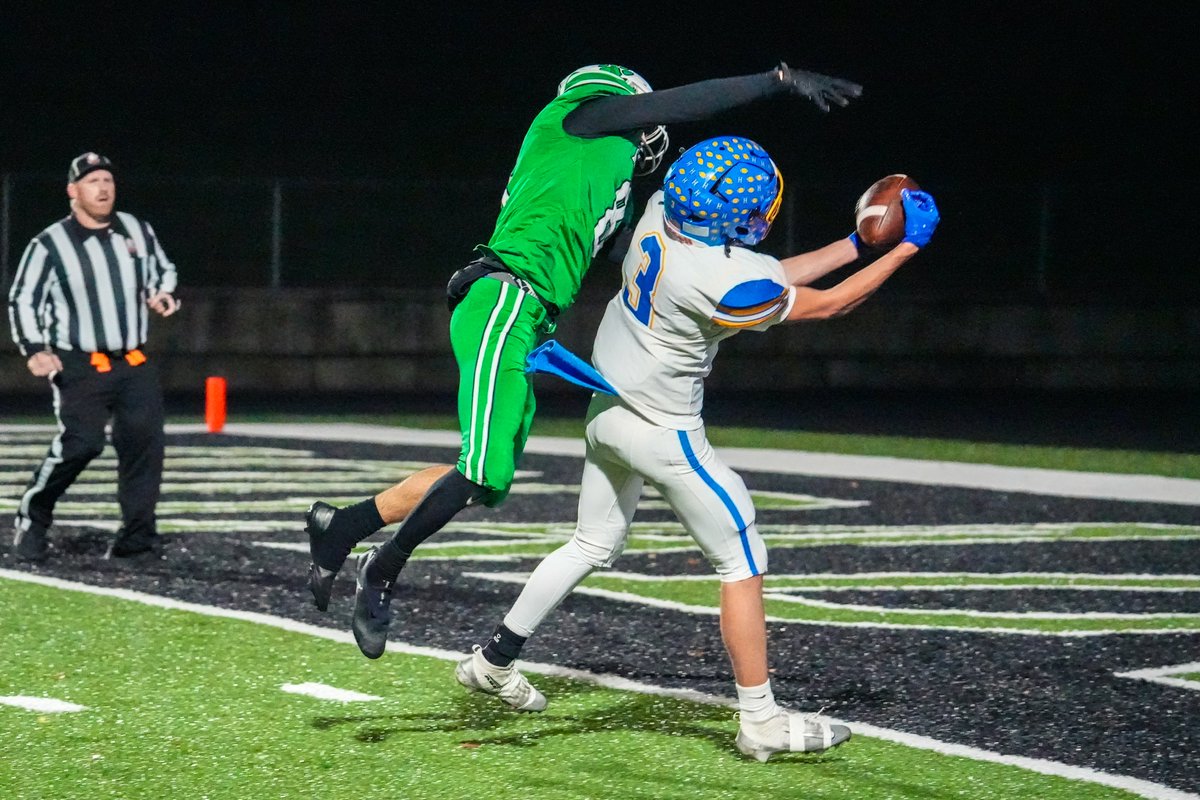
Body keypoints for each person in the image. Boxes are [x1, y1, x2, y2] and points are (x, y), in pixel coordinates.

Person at [302, 62, 864, 658]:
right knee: (480, 469)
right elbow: (682, 105)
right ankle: (381, 570)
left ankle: (344, 527)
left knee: (483, 481)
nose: (651, 136)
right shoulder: (578, 121)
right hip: (505, 296)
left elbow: (650, 255)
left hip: (526, 315)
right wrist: (774, 81)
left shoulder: (611, 179)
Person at [452, 136, 940, 760]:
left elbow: (770, 274)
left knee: (590, 544)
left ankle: (493, 660)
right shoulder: (725, 281)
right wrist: (903, 248)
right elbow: (830, 304)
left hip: (607, 407)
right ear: (735, 214)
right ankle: (760, 719)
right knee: (742, 561)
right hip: (664, 434)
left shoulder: (660, 210)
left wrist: (853, 245)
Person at [7, 152, 180, 561]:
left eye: (107, 180)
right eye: (91, 181)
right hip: (80, 363)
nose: (103, 188)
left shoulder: (136, 229)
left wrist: (162, 293)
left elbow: (162, 270)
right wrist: (35, 348)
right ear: (72, 191)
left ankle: (136, 539)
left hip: (133, 361)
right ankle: (34, 515)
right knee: (81, 444)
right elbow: (23, 298)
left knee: (144, 445)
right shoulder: (49, 243)